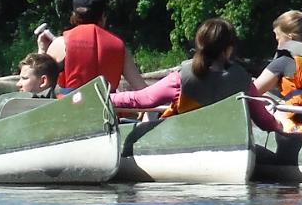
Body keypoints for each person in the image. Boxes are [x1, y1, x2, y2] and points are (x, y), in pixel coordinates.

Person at [108, 18, 280, 132]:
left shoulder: (181, 78)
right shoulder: (243, 80)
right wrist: (279, 127)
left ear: (199, 45)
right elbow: (264, 121)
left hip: (183, 140)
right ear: (229, 49)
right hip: (229, 143)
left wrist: (106, 98)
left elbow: (141, 100)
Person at [37, 0, 150, 93]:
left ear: (74, 16)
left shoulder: (60, 43)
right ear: (103, 16)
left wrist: (42, 50)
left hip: (69, 110)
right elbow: (142, 89)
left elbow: (39, 83)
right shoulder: (119, 46)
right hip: (106, 111)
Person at [0, 52, 61, 125]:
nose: (18, 84)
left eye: (24, 78)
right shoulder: (30, 105)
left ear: (43, 81)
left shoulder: (30, 104)